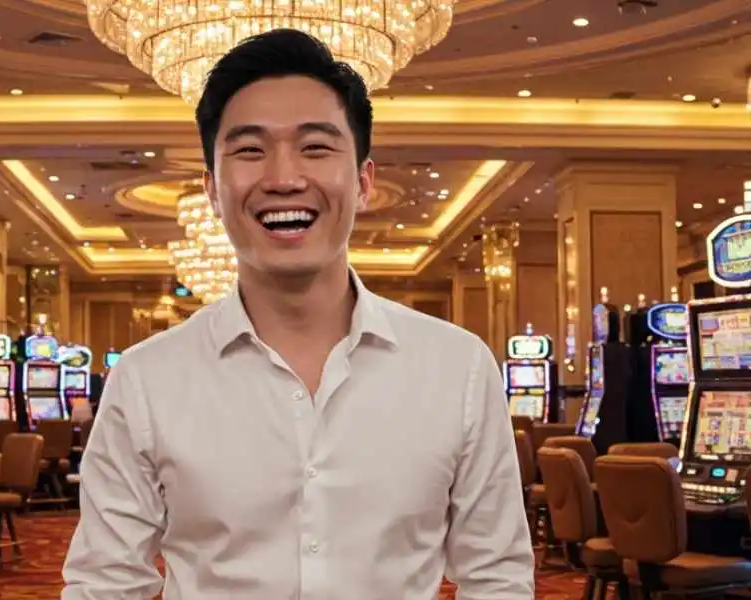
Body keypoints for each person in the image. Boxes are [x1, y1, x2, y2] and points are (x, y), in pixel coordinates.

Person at [61, 28, 534, 600]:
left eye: (315, 147)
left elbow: (497, 577)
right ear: (212, 190)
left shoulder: (458, 367)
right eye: (250, 150)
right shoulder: (146, 378)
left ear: (363, 182)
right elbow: (104, 584)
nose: (284, 179)